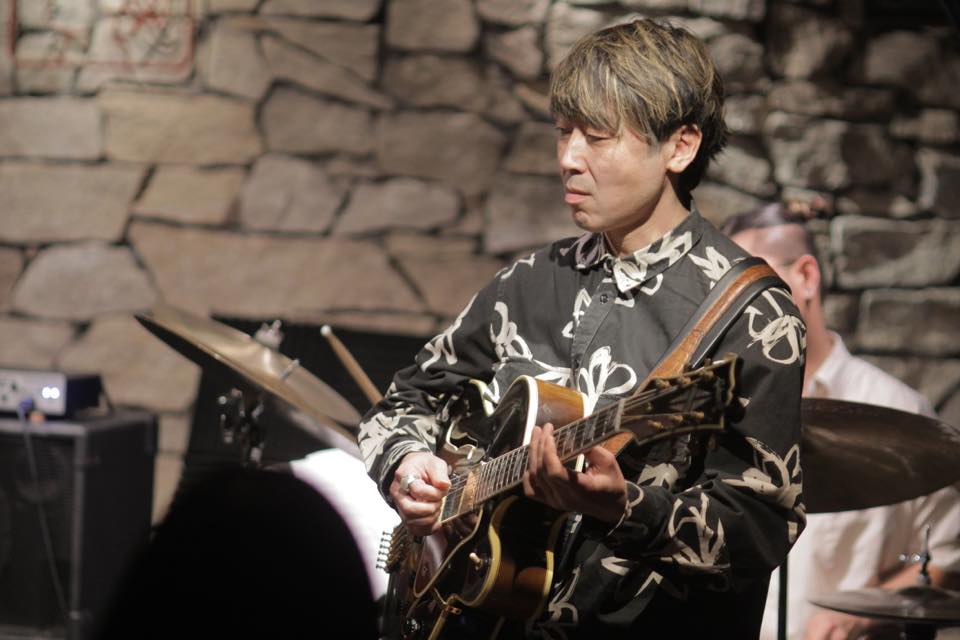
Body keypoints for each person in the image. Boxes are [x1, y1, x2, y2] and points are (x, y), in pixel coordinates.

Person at [359, 18, 807, 638]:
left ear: (680, 146)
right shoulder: (528, 281)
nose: (569, 159)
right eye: (563, 132)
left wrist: (624, 507)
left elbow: (760, 530)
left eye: (597, 137)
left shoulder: (754, 317)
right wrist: (408, 466)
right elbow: (402, 402)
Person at [722, 202, 960, 640]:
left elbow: (943, 558)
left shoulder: (897, 412)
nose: (730, 313)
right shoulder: (723, 413)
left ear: (806, 277)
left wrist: (856, 619)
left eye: (748, 288)